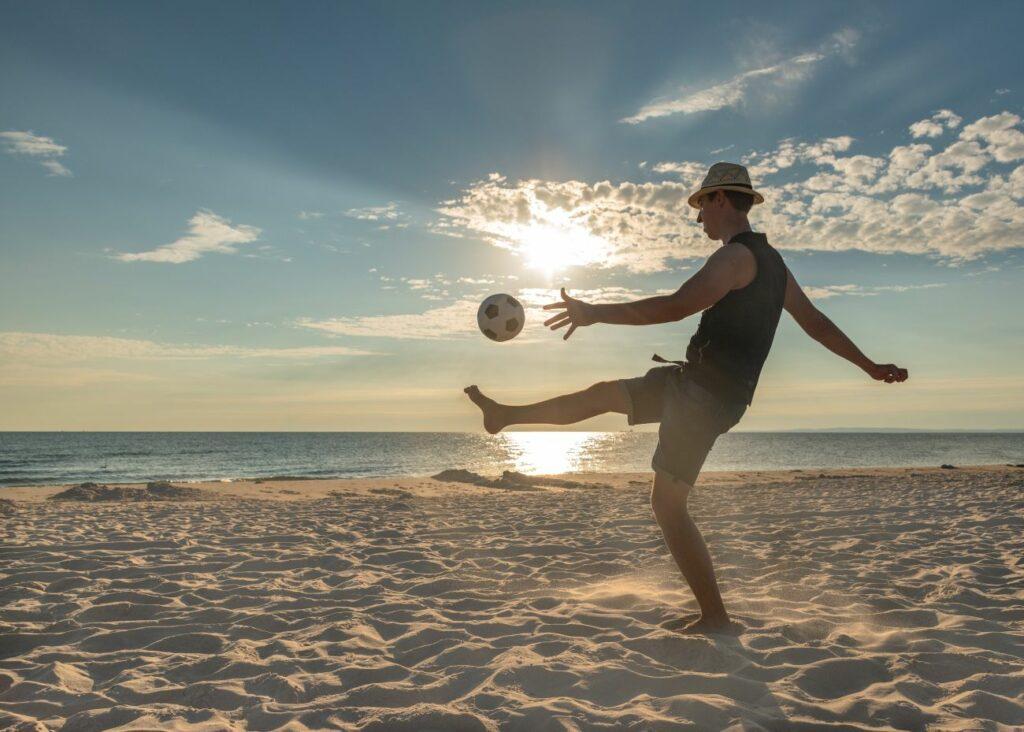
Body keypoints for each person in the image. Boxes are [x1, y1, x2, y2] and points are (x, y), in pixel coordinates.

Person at [464, 162, 908, 635]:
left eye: (701, 207)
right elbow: (816, 324)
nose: (699, 219)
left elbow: (676, 306)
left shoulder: (735, 259)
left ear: (721, 199)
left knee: (668, 507)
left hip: (704, 397)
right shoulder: (773, 263)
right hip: (694, 384)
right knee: (602, 396)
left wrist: (594, 312)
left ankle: (716, 616)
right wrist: (868, 366)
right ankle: (505, 415)